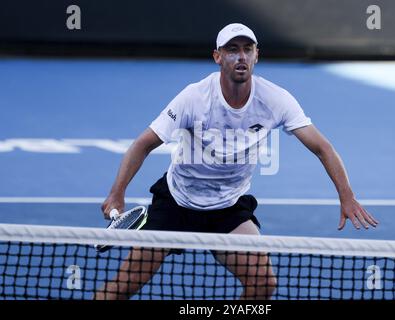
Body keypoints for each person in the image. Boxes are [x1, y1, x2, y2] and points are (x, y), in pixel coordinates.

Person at [95, 23, 378, 300]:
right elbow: (144, 143)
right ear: (217, 56)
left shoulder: (276, 99)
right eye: (232, 50)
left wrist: (347, 196)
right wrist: (117, 192)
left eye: (247, 49)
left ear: (257, 55)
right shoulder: (193, 97)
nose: (241, 56)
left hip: (227, 209)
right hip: (176, 203)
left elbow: (322, 147)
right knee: (123, 287)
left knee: (263, 283)